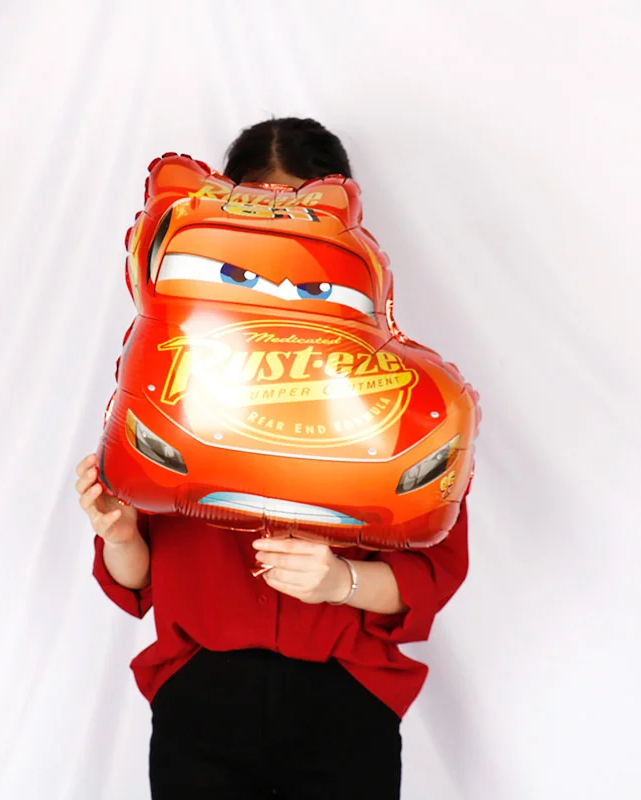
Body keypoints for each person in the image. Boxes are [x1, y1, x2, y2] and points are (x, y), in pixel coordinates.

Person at [74, 117, 470, 800]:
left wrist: (340, 582)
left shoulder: (397, 390)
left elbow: (431, 573)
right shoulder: (174, 383)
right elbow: (136, 582)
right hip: (201, 695)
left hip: (346, 697)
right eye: (259, 209)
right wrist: (120, 533)